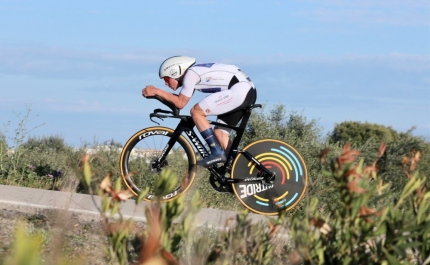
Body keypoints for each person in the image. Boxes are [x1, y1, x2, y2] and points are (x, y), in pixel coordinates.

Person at [142, 56, 257, 167]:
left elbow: (180, 103)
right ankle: (239, 168)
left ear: (175, 73)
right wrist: (158, 95)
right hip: (246, 91)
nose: (166, 84)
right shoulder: (193, 74)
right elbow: (178, 103)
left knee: (196, 112)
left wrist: (157, 91)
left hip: (240, 90)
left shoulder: (190, 75)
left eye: (167, 79)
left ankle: (216, 152)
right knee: (220, 133)